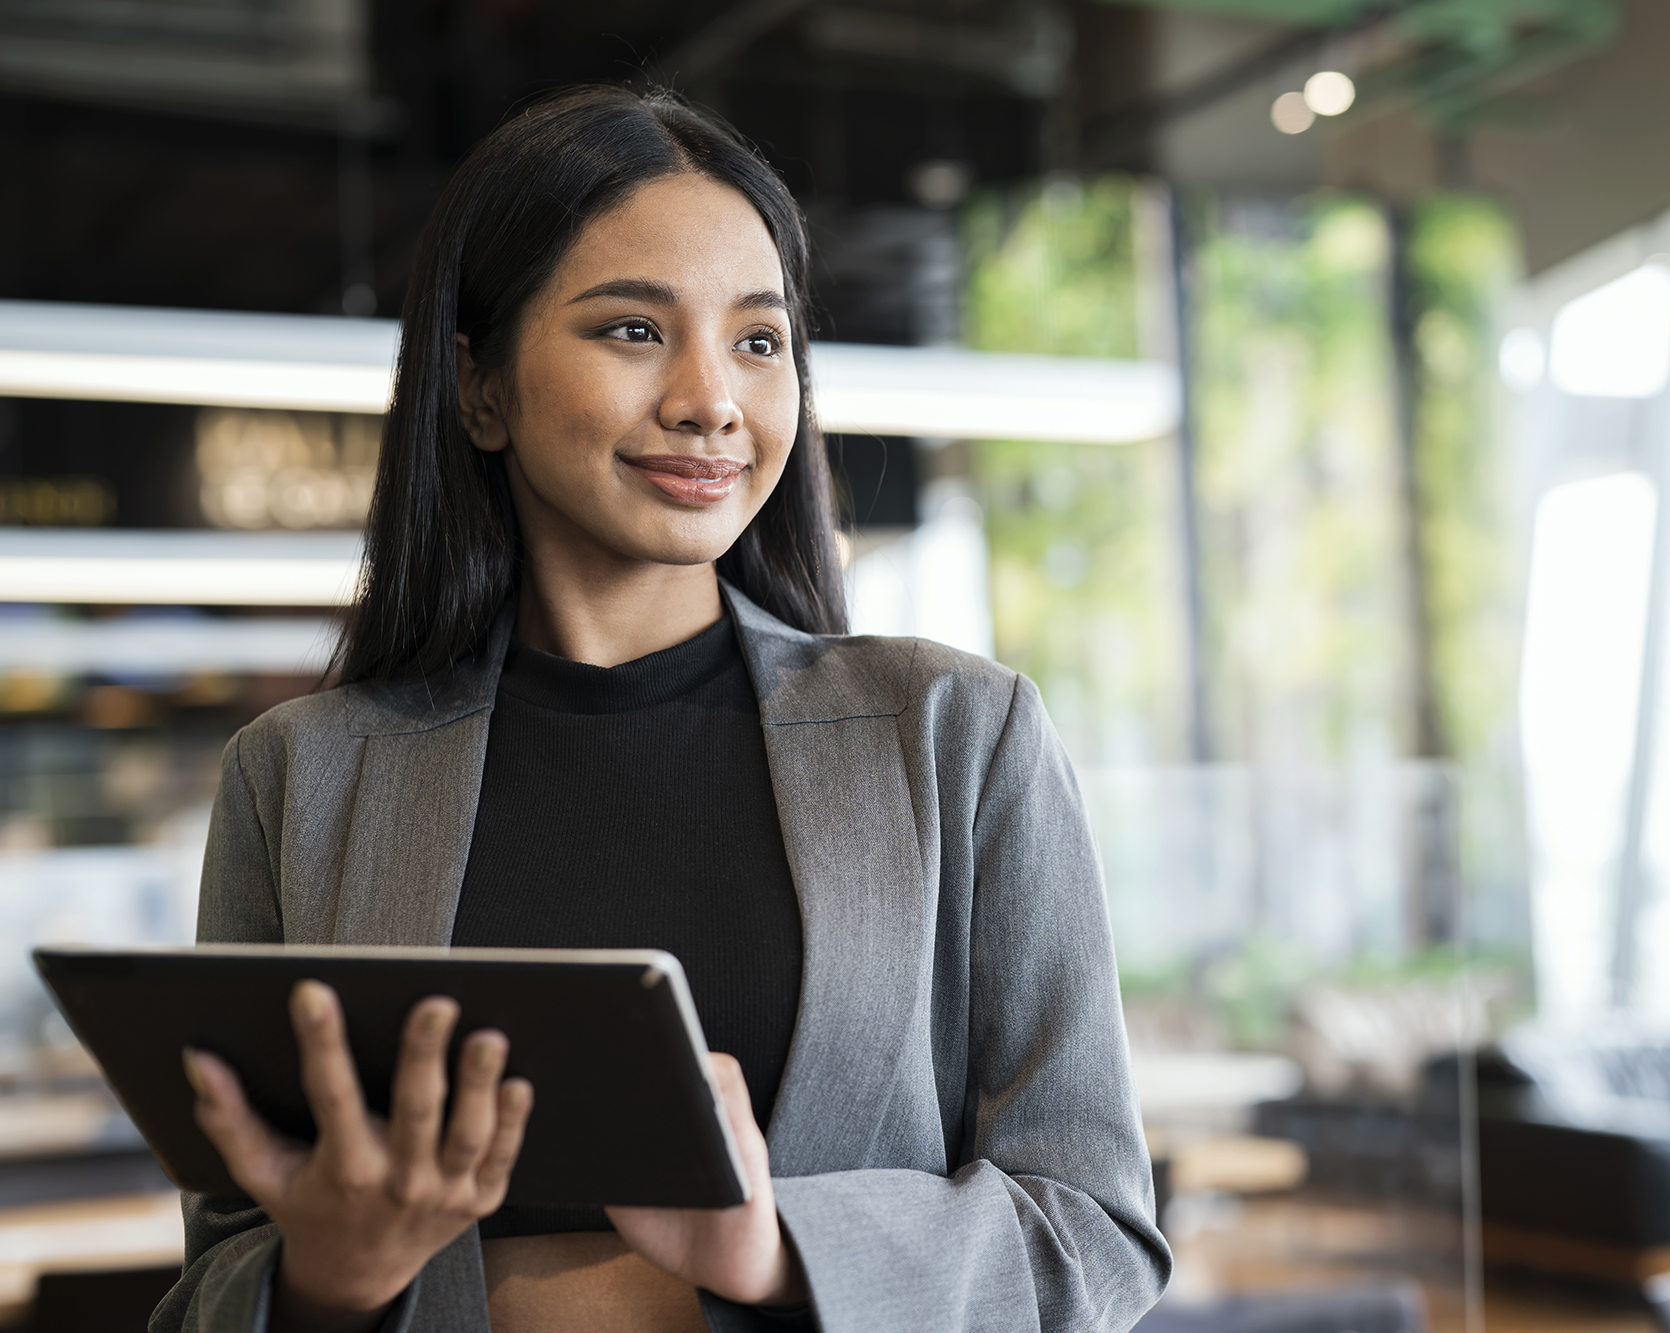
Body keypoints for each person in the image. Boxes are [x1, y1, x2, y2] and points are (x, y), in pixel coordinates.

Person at [151, 86, 1170, 1333]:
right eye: (633, 330)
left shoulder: (956, 735)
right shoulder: (302, 779)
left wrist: (776, 1248)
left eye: (757, 340)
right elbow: (210, 1288)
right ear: (477, 386)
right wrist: (329, 1278)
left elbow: (1097, 1237)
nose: (711, 399)